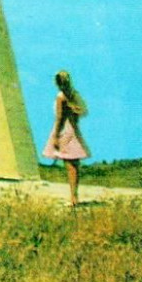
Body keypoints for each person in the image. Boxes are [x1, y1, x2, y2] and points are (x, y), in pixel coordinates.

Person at [42, 70, 90, 206]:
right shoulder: (74, 94)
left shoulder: (61, 97)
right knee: (75, 165)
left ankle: (73, 197)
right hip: (74, 130)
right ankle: (75, 195)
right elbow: (83, 111)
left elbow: (59, 118)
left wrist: (55, 137)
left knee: (69, 166)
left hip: (64, 131)